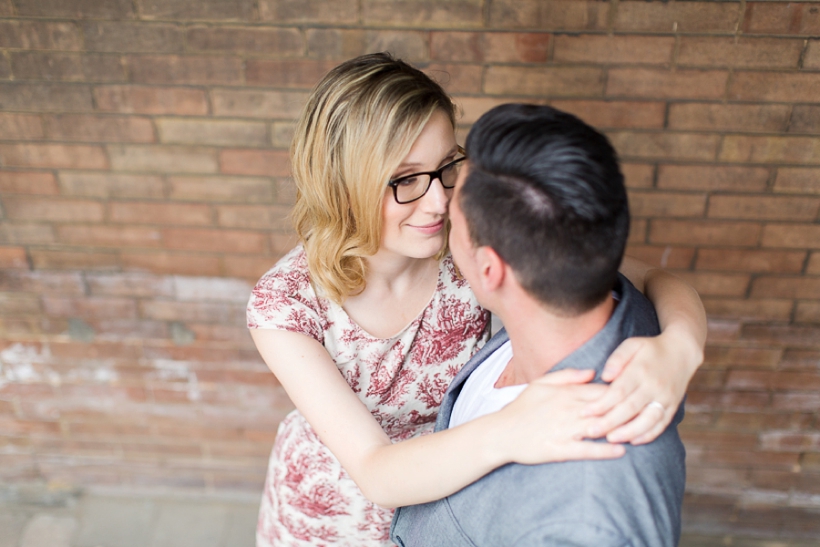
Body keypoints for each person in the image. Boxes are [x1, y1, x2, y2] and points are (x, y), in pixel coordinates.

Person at [247, 53, 705, 546]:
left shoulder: (465, 245)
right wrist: (514, 429)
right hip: (339, 507)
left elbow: (655, 277)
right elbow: (376, 472)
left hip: (454, 493)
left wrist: (680, 347)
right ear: (342, 185)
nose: (439, 202)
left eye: (447, 166)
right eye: (405, 180)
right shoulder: (285, 306)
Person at [391, 103, 687, 547]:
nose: (439, 207)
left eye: (454, 221)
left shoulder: (587, 520)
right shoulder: (591, 287)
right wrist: (686, 340)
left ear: (490, 270)